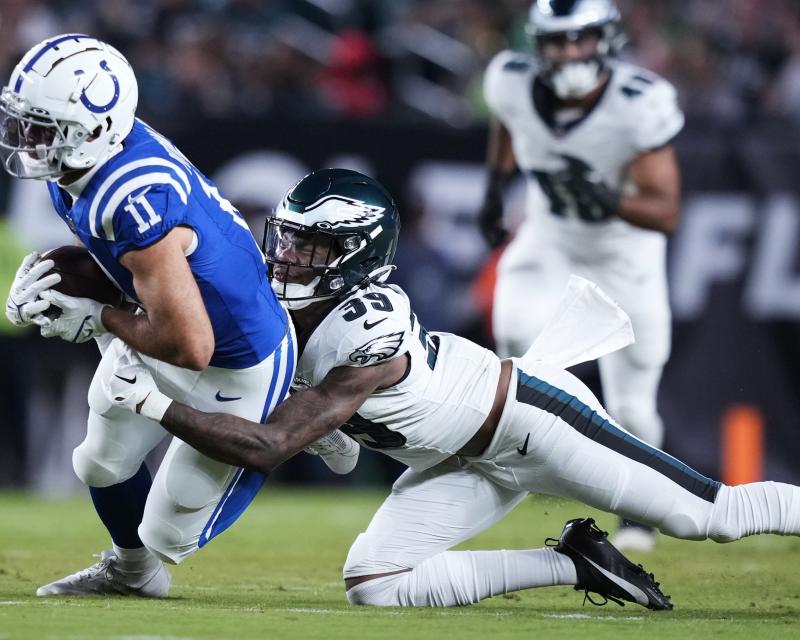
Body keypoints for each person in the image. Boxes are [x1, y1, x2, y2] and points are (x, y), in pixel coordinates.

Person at [104, 168, 800, 610]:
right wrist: (109, 317)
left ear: (357, 254)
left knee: (709, 516)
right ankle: (575, 565)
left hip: (532, 421)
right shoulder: (285, 307)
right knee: (376, 585)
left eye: (310, 247)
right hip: (459, 457)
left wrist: (154, 404)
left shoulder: (367, 325)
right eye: (285, 239)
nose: (287, 257)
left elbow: (271, 444)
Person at [0, 35, 356, 598]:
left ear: (94, 127)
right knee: (98, 463)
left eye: (45, 127)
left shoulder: (128, 195)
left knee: (170, 531)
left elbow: (192, 346)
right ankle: (131, 573)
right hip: (176, 323)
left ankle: (296, 417)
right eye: (26, 123)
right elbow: (118, 267)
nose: (28, 140)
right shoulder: (87, 167)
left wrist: (98, 317)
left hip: (240, 358)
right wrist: (51, 278)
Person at [477, 0, 684, 550]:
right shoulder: (511, 80)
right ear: (537, 43)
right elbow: (507, 119)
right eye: (557, 40)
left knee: (634, 404)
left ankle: (640, 512)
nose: (569, 52)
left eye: (580, 39)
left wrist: (610, 198)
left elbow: (666, 211)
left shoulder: (639, 103)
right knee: (516, 341)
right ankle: (512, 469)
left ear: (605, 39)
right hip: (550, 238)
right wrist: (497, 187)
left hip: (625, 255)